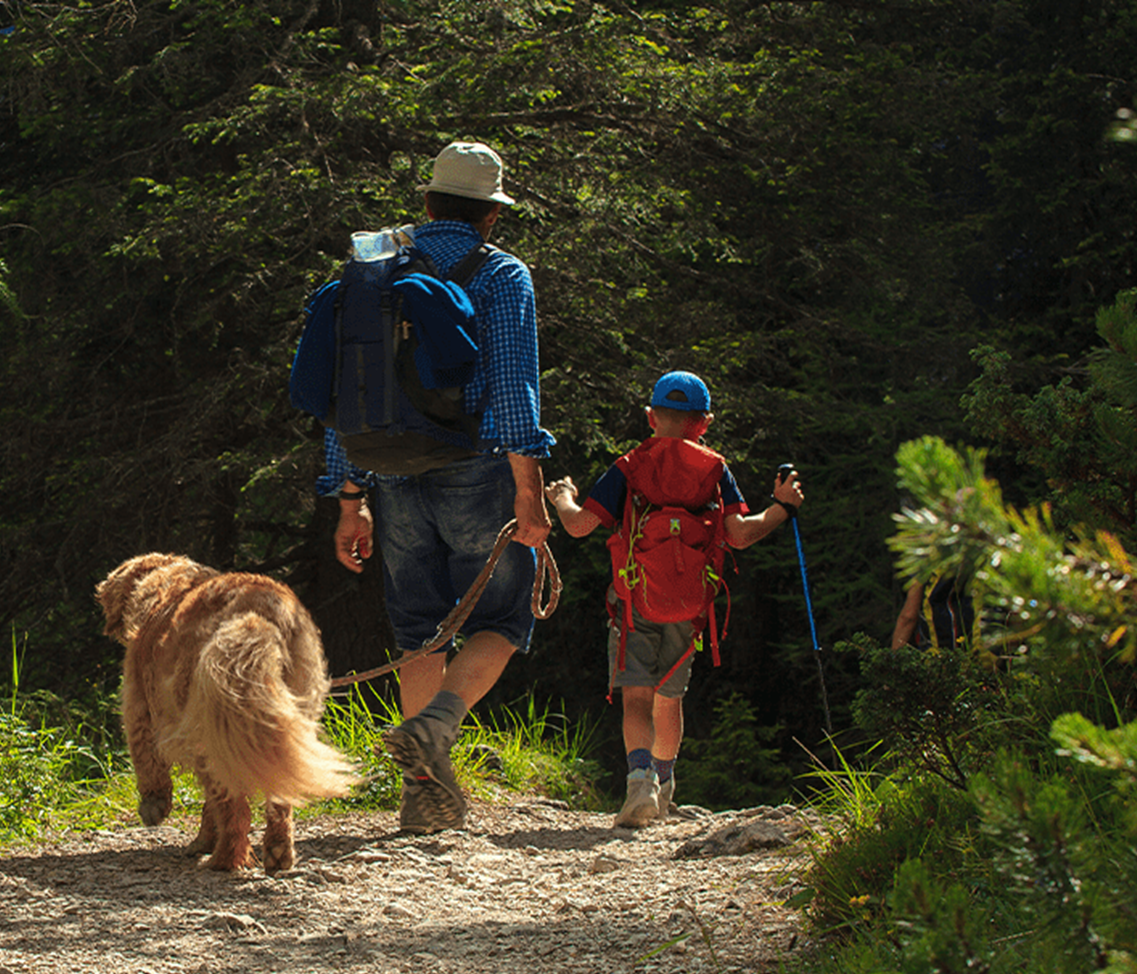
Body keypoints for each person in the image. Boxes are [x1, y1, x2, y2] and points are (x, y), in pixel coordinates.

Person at [322, 140, 554, 835]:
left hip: (389, 471)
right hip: (477, 466)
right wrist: (530, 493)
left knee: (419, 631)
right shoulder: (501, 273)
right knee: (505, 620)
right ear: (491, 216)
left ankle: (424, 797)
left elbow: (347, 391)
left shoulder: (376, 266)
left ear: (426, 204)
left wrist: (348, 493)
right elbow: (514, 392)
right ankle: (438, 725)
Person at [543, 371, 803, 828]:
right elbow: (739, 535)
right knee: (670, 698)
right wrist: (783, 506)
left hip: (634, 597)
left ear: (650, 417)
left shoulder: (630, 465)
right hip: (690, 604)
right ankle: (664, 786)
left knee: (636, 698)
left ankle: (639, 782)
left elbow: (582, 525)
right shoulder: (715, 469)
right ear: (703, 423)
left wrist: (563, 497)